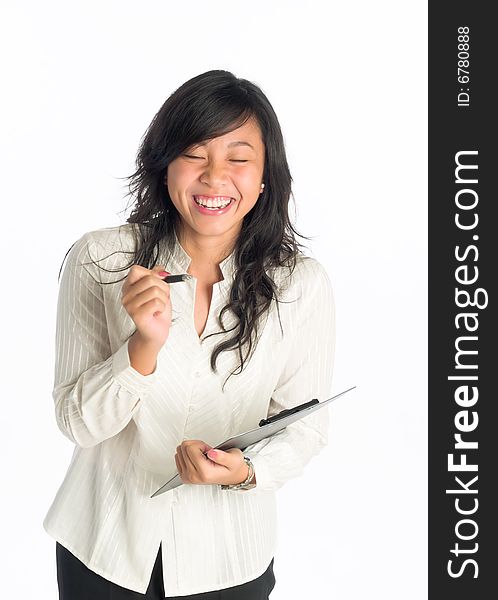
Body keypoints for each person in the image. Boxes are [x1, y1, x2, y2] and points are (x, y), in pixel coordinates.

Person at [43, 69, 336, 599]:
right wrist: (142, 348)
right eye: (196, 154)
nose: (215, 176)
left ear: (266, 176)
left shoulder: (300, 284)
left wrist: (243, 471)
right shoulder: (101, 260)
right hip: (103, 549)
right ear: (166, 165)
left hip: (227, 560)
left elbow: (305, 427)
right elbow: (76, 424)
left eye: (238, 158)